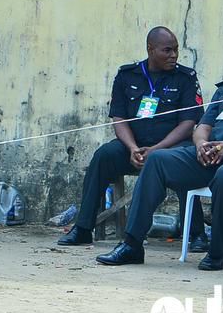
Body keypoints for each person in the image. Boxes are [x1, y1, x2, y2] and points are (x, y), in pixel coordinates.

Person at [95, 37, 223, 270]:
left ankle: (217, 253)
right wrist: (201, 144)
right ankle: (132, 244)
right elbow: (203, 126)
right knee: (157, 160)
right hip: (213, 158)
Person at [57, 27, 208, 251]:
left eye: (176, 50)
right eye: (167, 50)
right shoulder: (127, 76)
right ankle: (83, 228)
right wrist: (132, 148)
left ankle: (196, 234)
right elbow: (119, 118)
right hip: (134, 147)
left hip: (170, 146)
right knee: (103, 156)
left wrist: (157, 149)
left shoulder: (185, 78)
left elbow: (188, 124)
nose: (174, 55)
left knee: (185, 161)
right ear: (150, 49)